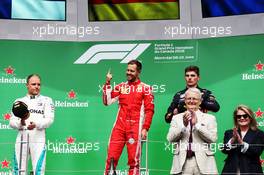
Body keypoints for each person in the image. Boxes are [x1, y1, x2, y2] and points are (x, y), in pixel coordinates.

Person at [102, 60, 154, 175]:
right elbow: (107, 101)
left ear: (138, 72)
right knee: (111, 158)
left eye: (132, 71)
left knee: (134, 162)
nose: (129, 72)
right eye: (127, 70)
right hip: (119, 128)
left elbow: (149, 110)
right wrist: (107, 83)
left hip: (135, 128)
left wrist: (145, 128)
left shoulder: (145, 88)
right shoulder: (121, 86)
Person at [9, 74, 55, 175]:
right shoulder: (18, 101)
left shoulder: (47, 100)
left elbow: (50, 119)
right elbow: (11, 123)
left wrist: (36, 124)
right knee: (18, 170)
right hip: (22, 137)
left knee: (39, 170)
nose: (36, 86)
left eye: (38, 84)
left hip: (38, 138)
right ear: (27, 85)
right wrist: (21, 122)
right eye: (33, 84)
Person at [167, 88, 218, 175]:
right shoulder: (176, 118)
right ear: (185, 101)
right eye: (189, 98)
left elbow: (213, 138)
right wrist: (183, 126)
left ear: (200, 101)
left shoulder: (210, 118)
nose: (191, 101)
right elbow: (170, 138)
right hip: (183, 163)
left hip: (205, 163)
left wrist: (197, 125)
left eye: (194, 99)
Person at [221, 105, 264, 175]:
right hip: (231, 170)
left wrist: (241, 142)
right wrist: (232, 140)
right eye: (239, 116)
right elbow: (224, 150)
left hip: (251, 170)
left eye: (245, 116)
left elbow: (257, 151)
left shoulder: (259, 133)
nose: (242, 118)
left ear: (250, 117)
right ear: (236, 118)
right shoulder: (229, 132)